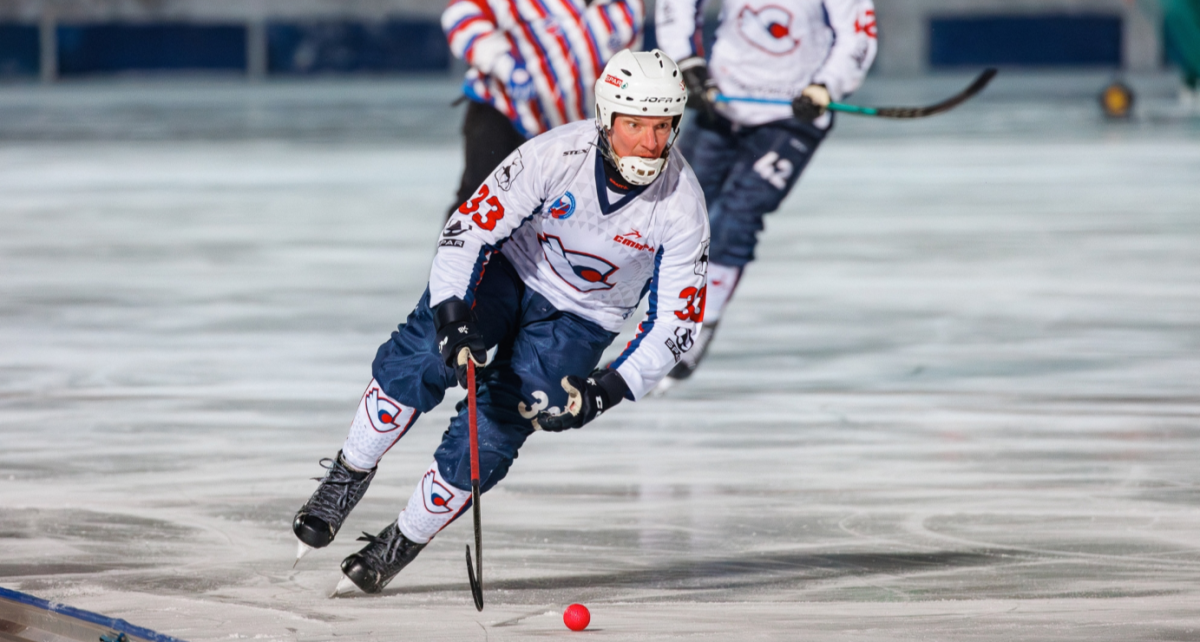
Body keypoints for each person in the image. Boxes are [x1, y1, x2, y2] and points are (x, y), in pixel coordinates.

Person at [293, 49, 710, 594]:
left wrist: (605, 391)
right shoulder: (553, 154)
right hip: (509, 272)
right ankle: (347, 476)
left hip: (583, 320)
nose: (650, 144)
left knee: (490, 436)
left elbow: (675, 326)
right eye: (635, 125)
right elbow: (468, 231)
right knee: (423, 354)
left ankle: (401, 541)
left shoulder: (683, 207)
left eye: (662, 127)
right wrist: (451, 316)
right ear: (607, 119)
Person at [652, 0, 877, 389]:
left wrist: (826, 85)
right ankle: (658, 319)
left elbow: (858, 34)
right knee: (675, 212)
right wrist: (686, 61)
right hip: (721, 101)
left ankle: (699, 324)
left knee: (736, 218)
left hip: (794, 117)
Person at [442, 0, 645, 218]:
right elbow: (461, 14)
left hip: (572, 130)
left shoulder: (628, 6)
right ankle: (457, 252)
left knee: (567, 215)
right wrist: (504, 64)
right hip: (506, 112)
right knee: (482, 203)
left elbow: (625, 72)